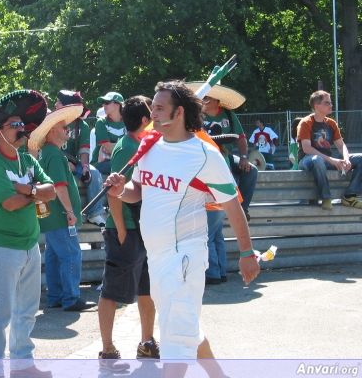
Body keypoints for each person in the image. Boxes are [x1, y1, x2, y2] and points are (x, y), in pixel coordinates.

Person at [105, 80, 260, 366]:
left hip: (185, 256)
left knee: (176, 337)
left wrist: (247, 253)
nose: (153, 114)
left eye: (160, 108)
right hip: (156, 256)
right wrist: (119, 190)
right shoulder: (149, 148)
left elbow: (232, 205)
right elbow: (137, 191)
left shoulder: (204, 155)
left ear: (179, 114)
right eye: (154, 107)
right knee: (184, 327)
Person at [0, 90, 55, 378]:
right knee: (2, 311)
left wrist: (26, 189)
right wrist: (32, 192)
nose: (21, 130)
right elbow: (10, 204)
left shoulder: (27, 161)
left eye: (22, 125)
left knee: (27, 310)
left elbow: (51, 190)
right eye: (14, 125)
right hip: (4, 245)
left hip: (30, 244)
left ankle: (22, 364)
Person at [97, 95, 159, 366]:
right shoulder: (126, 147)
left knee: (147, 288)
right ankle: (108, 348)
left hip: (143, 227)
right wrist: (122, 230)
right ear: (145, 120)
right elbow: (114, 191)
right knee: (112, 291)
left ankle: (147, 342)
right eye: (153, 113)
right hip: (126, 229)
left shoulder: (145, 145)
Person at [28, 104, 97, 312]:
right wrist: (69, 211)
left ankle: (57, 296)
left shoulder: (49, 153)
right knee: (70, 254)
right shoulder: (55, 155)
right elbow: (59, 186)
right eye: (62, 127)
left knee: (55, 255)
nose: (67, 129)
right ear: (51, 132)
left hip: (52, 215)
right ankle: (71, 298)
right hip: (59, 215)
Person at [187, 81, 257, 220]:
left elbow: (241, 138)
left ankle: (242, 210)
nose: (203, 100)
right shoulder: (195, 115)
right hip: (202, 157)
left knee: (252, 170)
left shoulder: (229, 115)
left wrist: (244, 157)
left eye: (207, 98)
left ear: (217, 101)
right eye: (202, 97)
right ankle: (226, 207)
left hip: (225, 154)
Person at [297, 90, 362, 210]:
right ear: (317, 106)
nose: (331, 105)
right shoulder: (305, 123)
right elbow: (307, 149)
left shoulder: (331, 123)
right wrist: (332, 160)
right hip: (307, 160)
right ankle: (326, 197)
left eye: (331, 103)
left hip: (326, 160)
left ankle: (349, 196)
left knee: (360, 158)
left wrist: (346, 159)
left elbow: (341, 145)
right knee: (317, 160)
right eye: (327, 103)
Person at [54, 90, 106, 227]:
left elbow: (84, 150)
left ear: (67, 106)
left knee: (94, 173)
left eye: (59, 102)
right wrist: (64, 163)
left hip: (73, 162)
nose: (55, 104)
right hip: (53, 161)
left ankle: (94, 213)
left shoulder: (81, 125)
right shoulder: (51, 122)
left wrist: (84, 167)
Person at [91, 91, 126, 176]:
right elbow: (108, 148)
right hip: (100, 165)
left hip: (121, 162)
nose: (103, 105)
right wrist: (125, 147)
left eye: (107, 102)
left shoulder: (128, 122)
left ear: (117, 104)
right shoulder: (101, 122)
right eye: (103, 103)